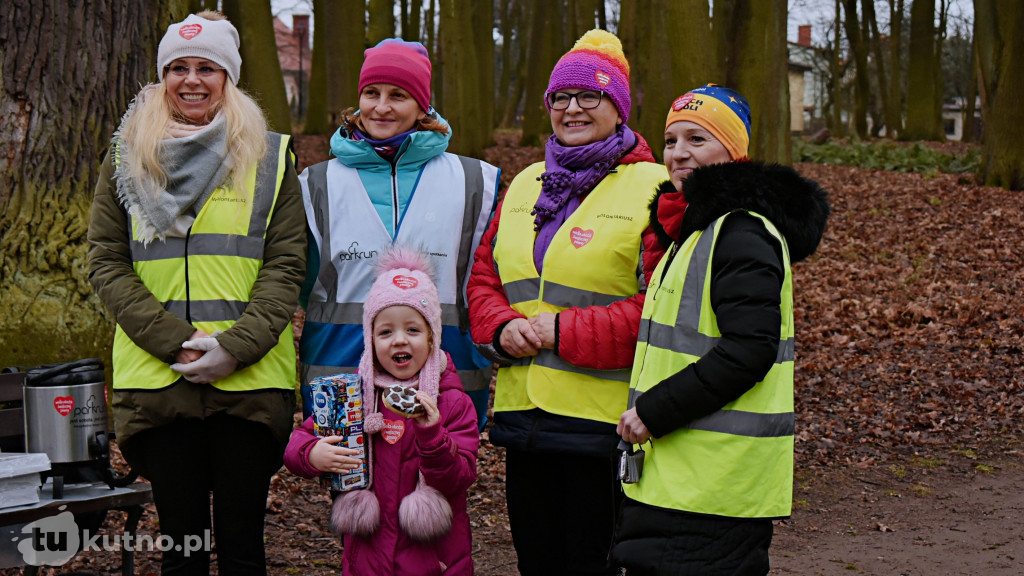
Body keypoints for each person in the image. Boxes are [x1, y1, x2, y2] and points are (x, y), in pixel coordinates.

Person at [87, 11, 305, 574]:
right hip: (159, 388)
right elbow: (106, 261)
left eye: (206, 67)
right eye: (177, 68)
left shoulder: (270, 157)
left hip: (251, 387)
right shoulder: (126, 155)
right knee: (180, 549)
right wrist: (174, 341)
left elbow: (286, 265)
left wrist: (235, 347)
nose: (191, 80)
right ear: (162, 78)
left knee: (242, 547)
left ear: (228, 77)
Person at [467, 29, 668, 575]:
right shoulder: (529, 180)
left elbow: (662, 305)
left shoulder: (656, 186)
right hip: (522, 418)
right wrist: (499, 329)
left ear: (618, 107)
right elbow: (484, 278)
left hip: (602, 426)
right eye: (561, 98)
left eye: (590, 97)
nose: (572, 109)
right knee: (537, 562)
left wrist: (560, 331)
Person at [609, 84, 830, 575]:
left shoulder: (740, 231)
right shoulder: (694, 229)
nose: (679, 154)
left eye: (697, 139)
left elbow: (749, 350)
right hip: (680, 475)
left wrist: (652, 411)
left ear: (732, 151)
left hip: (714, 484)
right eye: (670, 140)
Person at [298, 38, 498, 430]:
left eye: (398, 95)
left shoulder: (476, 181)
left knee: (439, 483)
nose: (382, 106)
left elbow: (486, 280)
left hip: (445, 378)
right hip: (340, 374)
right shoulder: (317, 183)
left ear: (421, 105)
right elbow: (303, 281)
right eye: (371, 93)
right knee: (351, 488)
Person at [285, 246, 479, 575]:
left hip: (436, 561)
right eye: (385, 331)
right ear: (370, 338)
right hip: (368, 559)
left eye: (413, 330)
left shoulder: (451, 402)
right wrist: (312, 452)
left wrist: (432, 435)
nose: (399, 340)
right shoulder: (353, 397)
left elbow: (461, 476)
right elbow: (296, 444)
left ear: (433, 338)